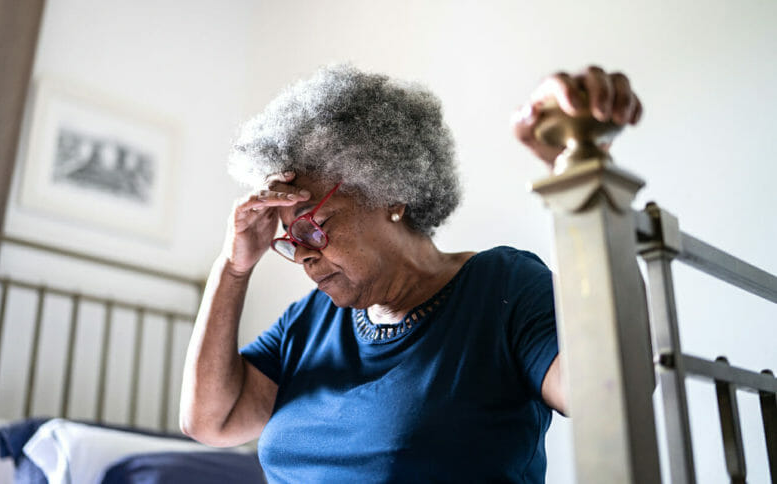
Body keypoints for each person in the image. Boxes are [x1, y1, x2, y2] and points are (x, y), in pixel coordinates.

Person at [179, 64, 642, 482]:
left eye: (313, 227)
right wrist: (233, 267)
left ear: (391, 194)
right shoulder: (309, 321)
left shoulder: (503, 287)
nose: (302, 256)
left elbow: (606, 389)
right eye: (289, 239)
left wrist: (577, 171)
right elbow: (211, 421)